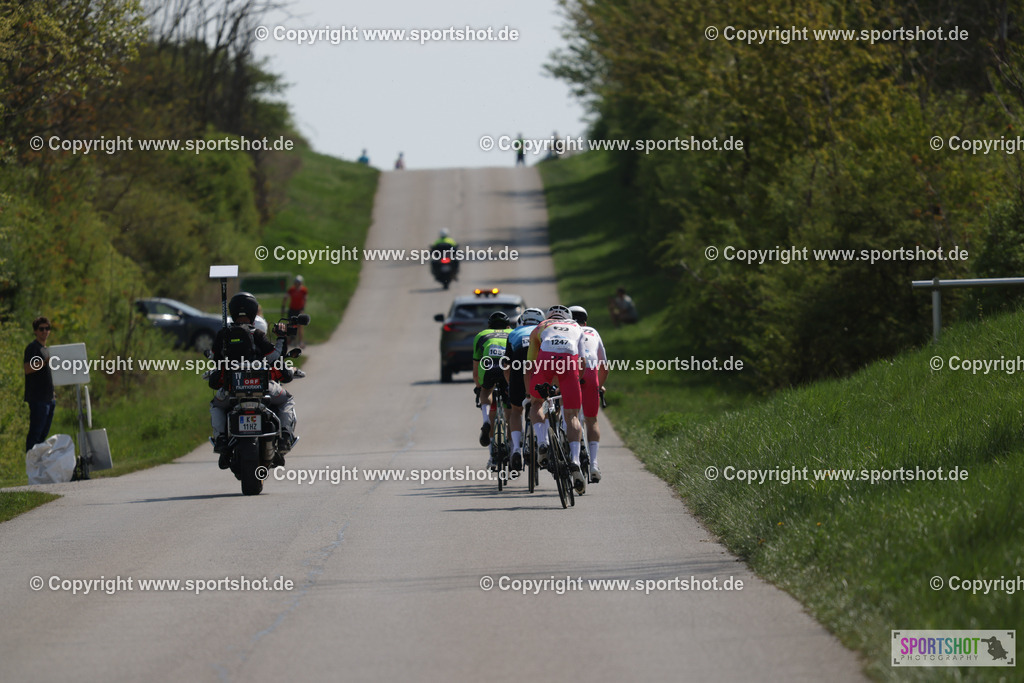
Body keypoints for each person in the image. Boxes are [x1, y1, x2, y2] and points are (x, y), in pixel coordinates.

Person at [209, 292, 297, 469]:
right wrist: (281, 338)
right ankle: (285, 436)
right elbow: (273, 357)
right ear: (253, 311)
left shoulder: (223, 335)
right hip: (262, 389)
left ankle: (221, 439)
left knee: (216, 405)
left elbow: (215, 360)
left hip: (231, 390)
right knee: (287, 399)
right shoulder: (256, 334)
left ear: (232, 311)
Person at [525, 305, 587, 492]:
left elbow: (530, 364)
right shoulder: (577, 328)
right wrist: (574, 381)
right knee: (572, 416)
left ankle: (542, 442)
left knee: (536, 404)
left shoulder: (540, 327)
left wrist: (530, 393)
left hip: (546, 361)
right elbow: (582, 362)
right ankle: (575, 459)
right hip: (569, 363)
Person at [569, 305, 608, 482]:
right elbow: (604, 366)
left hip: (570, 370)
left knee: (570, 415)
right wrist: (599, 385)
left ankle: (573, 457)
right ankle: (594, 464)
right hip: (591, 372)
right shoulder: (593, 331)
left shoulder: (567, 330)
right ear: (586, 321)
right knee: (591, 419)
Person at [503, 307, 544, 470]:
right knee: (542, 404)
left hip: (518, 362)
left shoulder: (513, 333)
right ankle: (544, 439)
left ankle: (517, 449)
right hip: (538, 360)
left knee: (516, 410)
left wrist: (510, 385)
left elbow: (507, 366)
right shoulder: (544, 330)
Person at [472, 311, 511, 467]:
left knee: (487, 392)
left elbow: (476, 369)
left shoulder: (482, 335)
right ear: (508, 325)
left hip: (488, 367)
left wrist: (479, 388)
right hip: (508, 367)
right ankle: (512, 446)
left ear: (489, 326)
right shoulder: (512, 333)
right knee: (512, 412)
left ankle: (487, 420)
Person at [23, 316, 56, 452]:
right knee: (35, 435)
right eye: (41, 329)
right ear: (35, 331)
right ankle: (31, 464)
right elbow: (27, 368)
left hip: (49, 398)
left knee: (43, 435)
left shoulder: (46, 349)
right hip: (38, 399)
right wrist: (44, 362)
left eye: (47, 328)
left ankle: (39, 466)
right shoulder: (33, 348)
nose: (44, 331)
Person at [283, 275, 308, 348]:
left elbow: (305, 300)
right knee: (289, 325)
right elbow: (286, 298)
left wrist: (303, 309)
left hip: (299, 310)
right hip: (292, 309)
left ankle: (300, 342)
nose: (297, 284)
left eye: (299, 282)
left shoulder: (303, 290)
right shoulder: (291, 290)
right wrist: (283, 307)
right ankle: (288, 340)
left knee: (300, 326)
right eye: (296, 282)